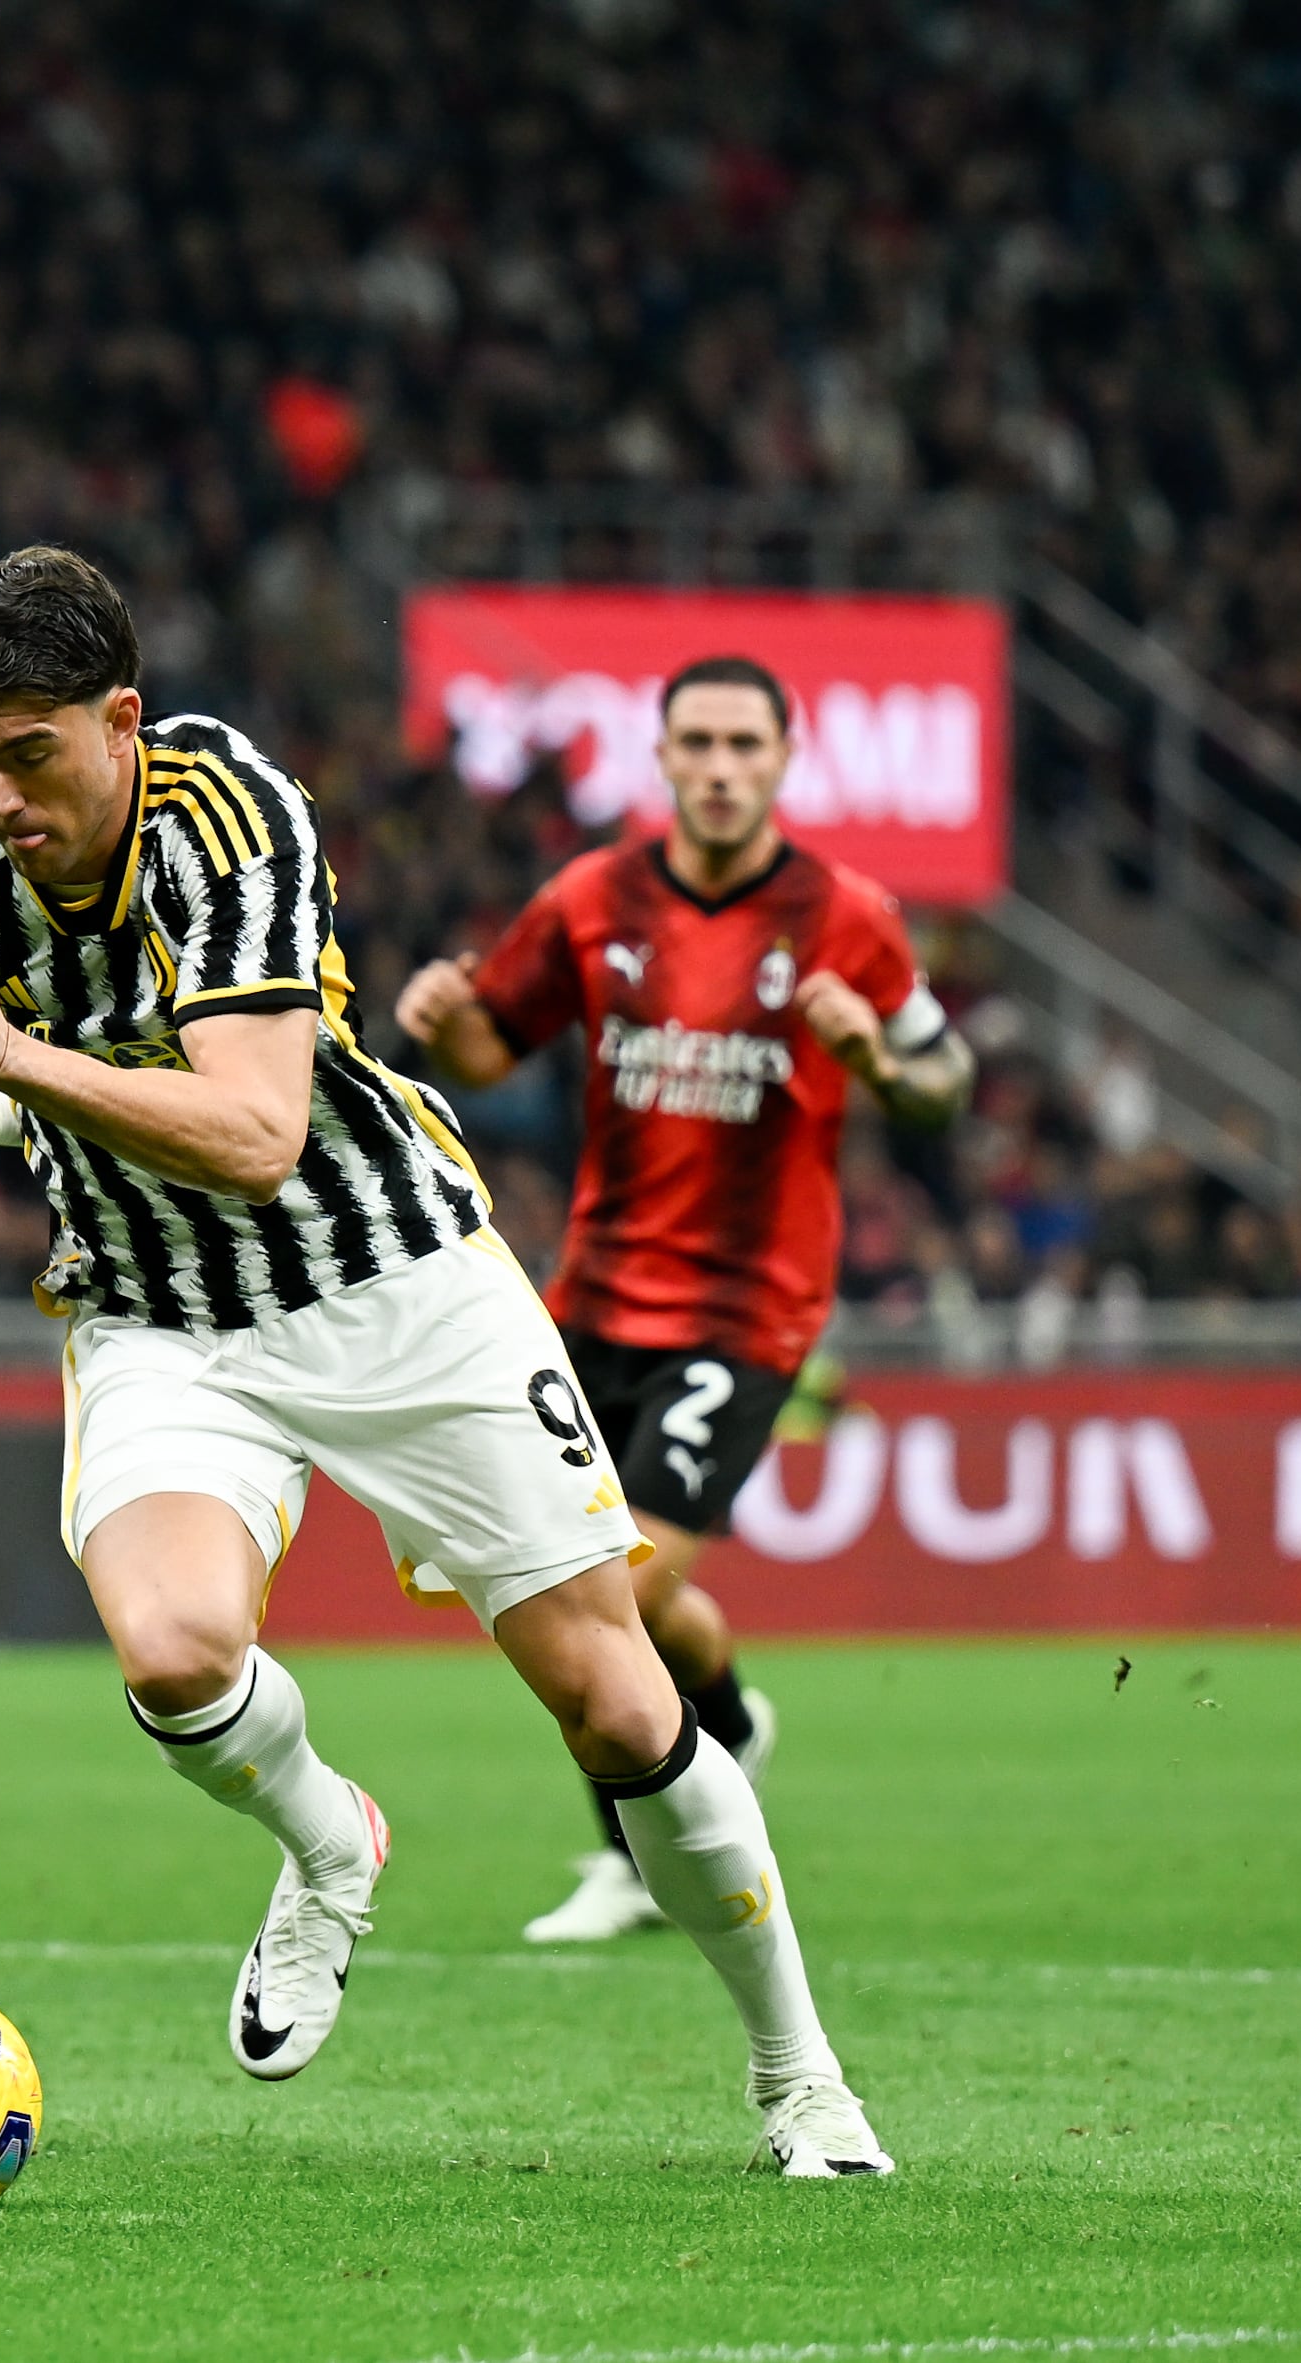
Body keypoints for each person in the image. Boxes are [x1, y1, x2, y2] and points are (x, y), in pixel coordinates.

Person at [0, 548, 893, 2177]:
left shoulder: (230, 816)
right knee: (173, 1653)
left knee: (616, 1701)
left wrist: (10, 1058)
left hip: (390, 1275)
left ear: (119, 720)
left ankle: (797, 2075)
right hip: (156, 1308)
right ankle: (329, 1843)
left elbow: (255, 1136)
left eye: (28, 754)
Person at [394, 655, 972, 1944]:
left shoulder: (849, 915)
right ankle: (728, 1721)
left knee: (618, 1589)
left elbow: (948, 1083)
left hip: (745, 1308)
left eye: (742, 745)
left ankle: (638, 1855)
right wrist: (444, 1019)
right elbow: (492, 1044)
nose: (718, 768)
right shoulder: (592, 897)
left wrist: (879, 1062)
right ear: (661, 757)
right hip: (593, 1295)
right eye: (696, 743)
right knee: (576, 1585)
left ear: (785, 757)